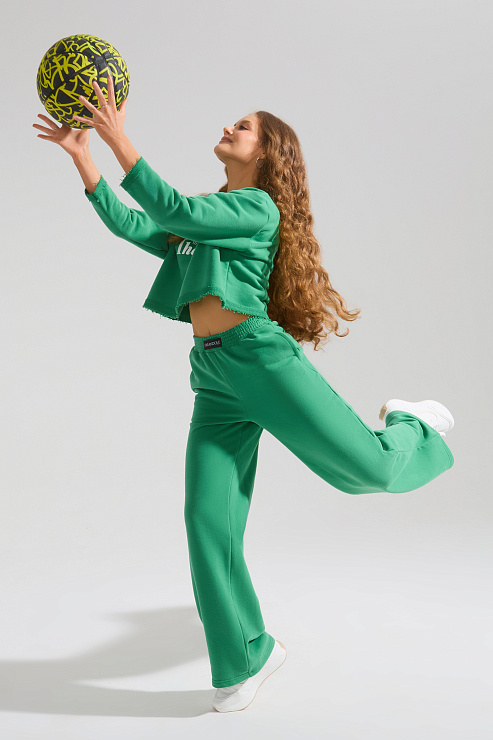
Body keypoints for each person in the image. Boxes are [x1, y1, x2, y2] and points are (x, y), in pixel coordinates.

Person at [33, 74, 455, 713]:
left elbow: (174, 210)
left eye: (244, 126)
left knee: (368, 472)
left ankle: (411, 424)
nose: (229, 128)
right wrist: (85, 157)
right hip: (213, 375)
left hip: (261, 360)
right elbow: (143, 227)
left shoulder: (256, 209)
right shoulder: (209, 215)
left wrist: (120, 140)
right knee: (208, 522)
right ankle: (247, 656)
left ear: (267, 153)